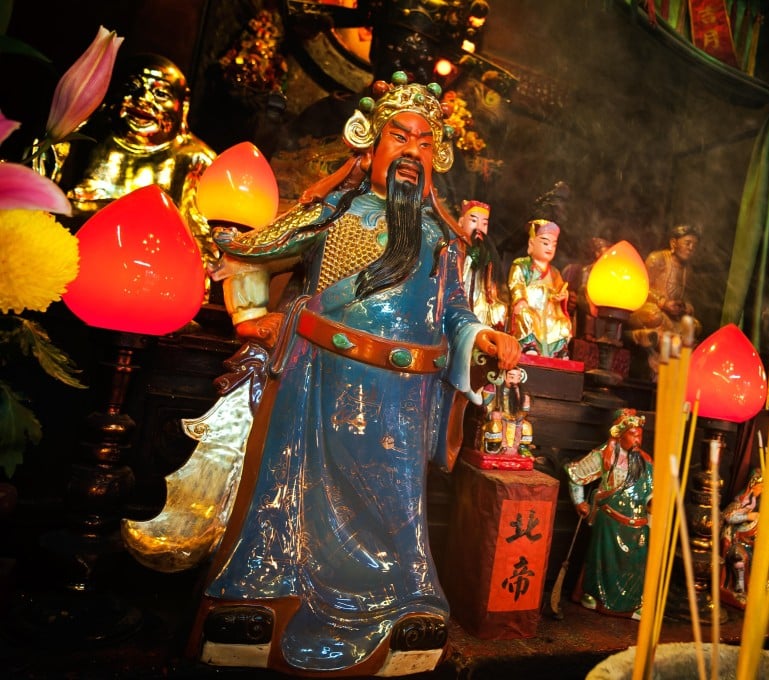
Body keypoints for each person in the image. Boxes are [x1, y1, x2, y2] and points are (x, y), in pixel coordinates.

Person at [187, 71, 520, 677]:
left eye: (424, 143)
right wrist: (250, 252)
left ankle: (407, 605)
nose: (412, 153)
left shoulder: (444, 240)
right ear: (370, 141)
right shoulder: (336, 211)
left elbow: (453, 313)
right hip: (321, 381)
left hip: (400, 397)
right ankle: (260, 592)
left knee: (395, 510)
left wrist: (482, 335)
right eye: (400, 137)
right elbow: (260, 248)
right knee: (290, 495)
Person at [65, 53, 218, 268]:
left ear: (182, 105)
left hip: (152, 268)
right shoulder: (86, 137)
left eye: (160, 93)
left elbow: (201, 237)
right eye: (133, 86)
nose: (143, 99)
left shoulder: (194, 159)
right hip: (76, 259)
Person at [564, 408, 652, 619]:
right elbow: (575, 475)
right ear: (619, 434)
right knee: (604, 561)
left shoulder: (645, 460)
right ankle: (595, 595)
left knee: (637, 562)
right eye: (633, 433)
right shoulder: (605, 456)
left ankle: (633, 602)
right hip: (610, 520)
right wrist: (579, 502)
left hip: (637, 522)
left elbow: (651, 490)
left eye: (640, 434)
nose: (637, 438)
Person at [627, 224, 702, 351]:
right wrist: (662, 302)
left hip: (674, 316)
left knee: (695, 325)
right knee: (654, 315)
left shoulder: (688, 270)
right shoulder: (657, 259)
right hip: (652, 308)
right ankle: (665, 336)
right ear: (673, 243)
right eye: (687, 243)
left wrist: (686, 307)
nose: (691, 248)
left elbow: (687, 297)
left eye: (694, 246)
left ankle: (670, 336)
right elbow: (641, 287)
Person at [507, 219, 573, 358]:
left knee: (562, 322)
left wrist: (562, 296)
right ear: (531, 243)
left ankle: (559, 350)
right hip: (530, 309)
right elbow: (516, 284)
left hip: (549, 313)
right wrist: (520, 300)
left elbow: (560, 290)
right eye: (545, 243)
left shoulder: (555, 272)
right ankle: (528, 345)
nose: (549, 248)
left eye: (553, 245)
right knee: (526, 316)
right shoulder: (521, 265)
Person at [457, 199, 507, 330]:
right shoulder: (455, 248)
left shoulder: (488, 252)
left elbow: (492, 282)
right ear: (461, 222)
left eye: (484, 224)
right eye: (473, 221)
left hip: (481, 296)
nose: (479, 228)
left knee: (500, 309)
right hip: (459, 296)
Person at [720, 468, 764, 606]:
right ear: (753, 485)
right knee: (741, 558)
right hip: (733, 540)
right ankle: (739, 589)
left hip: (747, 541)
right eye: (760, 486)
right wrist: (747, 516)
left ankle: (755, 589)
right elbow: (727, 516)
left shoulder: (755, 503)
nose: (761, 490)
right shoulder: (741, 501)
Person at [562, 236, 611, 340]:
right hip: (583, 309)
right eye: (606, 252)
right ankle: (588, 335)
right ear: (597, 253)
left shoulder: (609, 276)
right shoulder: (583, 271)